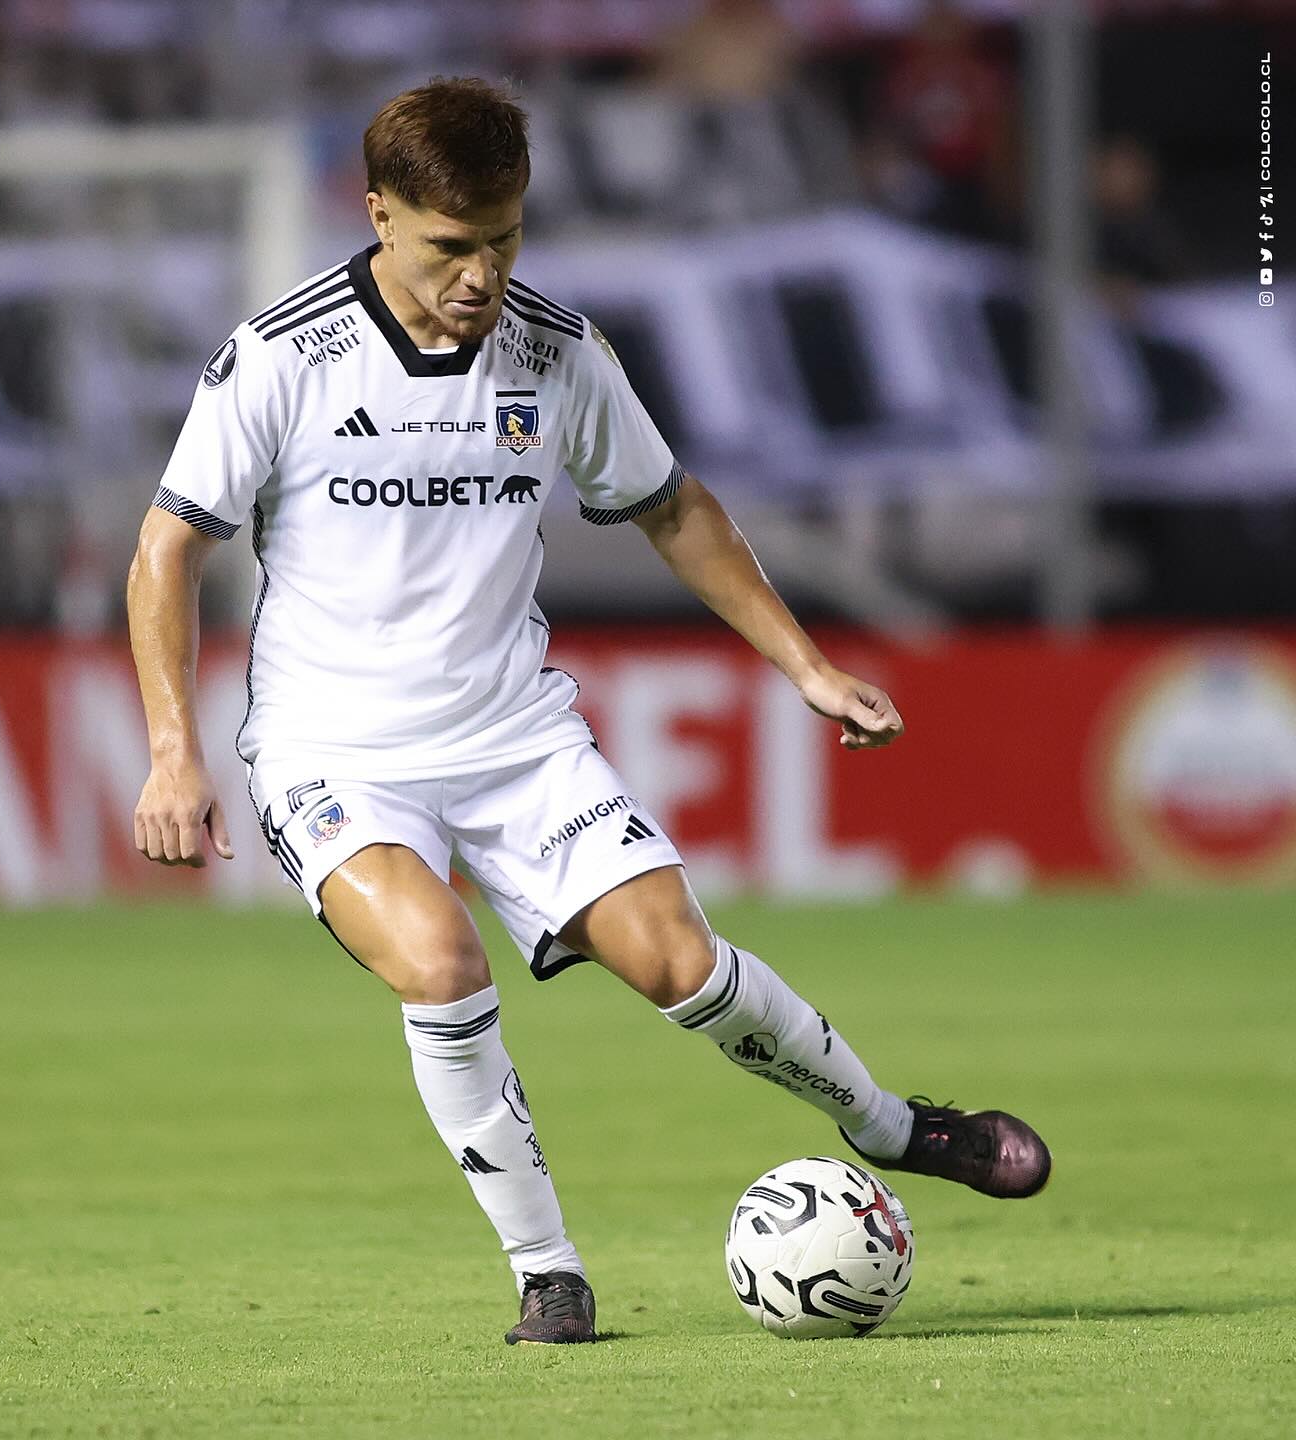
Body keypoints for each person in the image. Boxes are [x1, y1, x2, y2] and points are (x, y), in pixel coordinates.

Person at [127, 77, 1050, 1347]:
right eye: (452, 246)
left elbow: (673, 507)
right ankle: (547, 1272)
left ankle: (894, 1127)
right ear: (378, 212)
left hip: (515, 739)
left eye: (505, 238)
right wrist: (174, 754)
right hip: (331, 749)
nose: (482, 273)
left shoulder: (558, 353)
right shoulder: (283, 357)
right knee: (443, 963)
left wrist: (805, 665)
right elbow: (166, 552)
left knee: (680, 963)